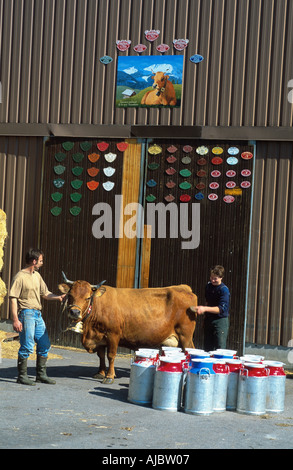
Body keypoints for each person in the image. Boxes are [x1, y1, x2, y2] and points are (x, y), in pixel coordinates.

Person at [9, 248, 65, 385]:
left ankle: (41, 375)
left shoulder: (37, 276)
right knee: (27, 346)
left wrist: (58, 297)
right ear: (34, 261)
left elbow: (45, 294)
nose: (42, 263)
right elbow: (13, 298)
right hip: (26, 314)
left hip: (37, 314)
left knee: (44, 344)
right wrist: (15, 319)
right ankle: (22, 376)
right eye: (40, 261)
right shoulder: (20, 277)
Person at [195, 265, 230, 352]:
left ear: (221, 277)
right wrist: (204, 318)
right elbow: (207, 301)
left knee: (220, 347)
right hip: (209, 320)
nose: (213, 280)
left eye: (215, 278)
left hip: (220, 321)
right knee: (207, 348)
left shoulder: (224, 290)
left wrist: (204, 309)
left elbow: (221, 309)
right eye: (211, 277)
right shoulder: (208, 286)